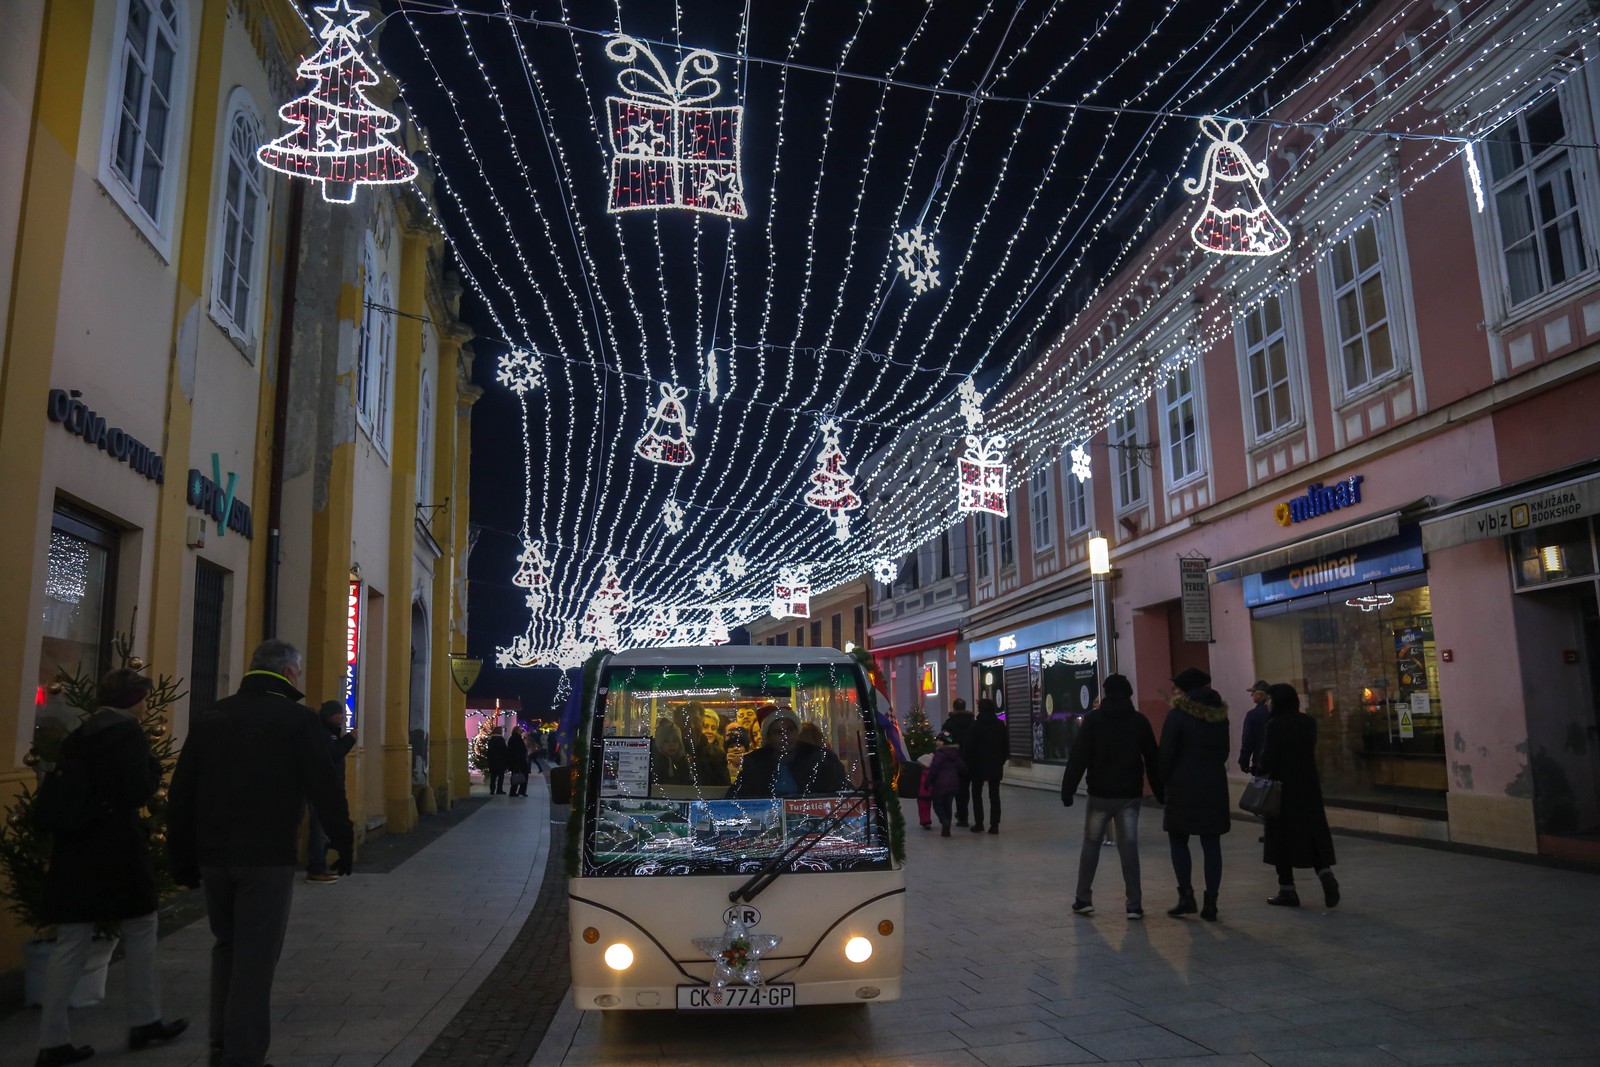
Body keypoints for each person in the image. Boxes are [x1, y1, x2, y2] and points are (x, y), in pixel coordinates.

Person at [167, 639, 353, 1067]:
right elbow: (324, 786)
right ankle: (244, 1056)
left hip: (214, 855)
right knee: (256, 958)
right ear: (289, 673)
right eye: (299, 673)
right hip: (266, 857)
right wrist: (343, 840)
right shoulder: (297, 720)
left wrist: (181, 854)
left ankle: (220, 1045)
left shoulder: (212, 714)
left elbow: (183, 790)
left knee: (226, 948)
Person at [35, 668, 187, 1067]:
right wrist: (152, 770)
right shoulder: (127, 735)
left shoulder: (80, 734)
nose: (145, 704)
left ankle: (52, 1039)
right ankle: (144, 1018)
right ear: (131, 699)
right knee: (140, 928)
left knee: (71, 942)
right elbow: (137, 789)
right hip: (117, 845)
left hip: (75, 849)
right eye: (142, 697)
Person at [1060, 674, 1162, 920]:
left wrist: (1068, 789)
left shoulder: (1094, 721)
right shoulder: (1139, 721)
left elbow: (1079, 756)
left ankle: (1083, 898)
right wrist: (1161, 792)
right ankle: (1134, 904)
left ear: (1105, 693)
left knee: (1091, 845)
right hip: (1129, 795)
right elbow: (1153, 759)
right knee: (1129, 848)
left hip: (1099, 794)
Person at [1159, 667, 1231, 922]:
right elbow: (1224, 752)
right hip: (1214, 785)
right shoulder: (1219, 715)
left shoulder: (1177, 715)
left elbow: (1166, 753)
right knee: (1211, 844)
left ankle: (1186, 896)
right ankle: (1211, 902)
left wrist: (1161, 783)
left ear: (1184, 689)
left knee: (1179, 840)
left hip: (1182, 787)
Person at [1260, 683, 1340, 908]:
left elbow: (1269, 758)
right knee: (1313, 834)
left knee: (1280, 839)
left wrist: (1258, 769)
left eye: (1269, 699)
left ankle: (1287, 890)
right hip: (1308, 788)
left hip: (1281, 790)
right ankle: (1325, 874)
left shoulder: (1275, 725)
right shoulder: (1308, 723)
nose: (1267, 703)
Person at [728, 708, 844, 797]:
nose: (785, 737)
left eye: (789, 730)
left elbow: (842, 793)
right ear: (768, 737)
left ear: (797, 732)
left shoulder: (821, 758)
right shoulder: (755, 762)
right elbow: (736, 797)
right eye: (778, 732)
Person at [306, 701, 355, 884]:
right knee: (320, 829)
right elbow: (332, 754)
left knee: (324, 829)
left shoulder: (331, 733)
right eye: (339, 713)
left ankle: (320, 865)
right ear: (329, 715)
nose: (342, 716)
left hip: (329, 787)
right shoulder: (324, 734)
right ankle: (316, 868)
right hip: (322, 788)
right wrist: (349, 740)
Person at [962, 698, 1010, 833]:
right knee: (994, 795)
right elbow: (1006, 747)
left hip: (977, 765)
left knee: (977, 794)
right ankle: (995, 825)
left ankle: (979, 823)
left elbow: (969, 747)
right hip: (995, 764)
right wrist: (1001, 760)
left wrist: (967, 764)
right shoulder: (1000, 725)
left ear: (980, 709)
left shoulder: (975, 725)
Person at [924, 732, 967, 836]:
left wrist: (928, 782)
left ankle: (944, 821)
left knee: (937, 805)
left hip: (940, 785)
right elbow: (963, 768)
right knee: (948, 806)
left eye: (939, 740)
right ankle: (946, 830)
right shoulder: (955, 754)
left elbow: (934, 769)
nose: (937, 742)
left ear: (942, 742)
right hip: (953, 785)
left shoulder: (939, 754)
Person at [941, 698, 976, 826]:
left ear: (954, 708)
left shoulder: (949, 724)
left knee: (954, 789)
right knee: (965, 788)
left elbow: (944, 741)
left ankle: (959, 814)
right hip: (970, 760)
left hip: (953, 760)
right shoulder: (973, 723)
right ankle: (963, 815)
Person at [1239, 681, 1271, 775]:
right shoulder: (1277, 713)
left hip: (1260, 761)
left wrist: (1243, 761)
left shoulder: (1253, 715)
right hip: (1280, 762)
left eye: (1254, 692)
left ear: (1261, 695)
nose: (1252, 695)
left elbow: (1247, 740)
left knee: (1260, 789)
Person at [651, 720, 694, 786]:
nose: (671, 745)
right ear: (660, 744)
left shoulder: (684, 761)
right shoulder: (657, 762)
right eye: (666, 741)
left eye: (674, 741)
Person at [506, 726, 531, 797]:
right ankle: (521, 791)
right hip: (519, 761)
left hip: (515, 761)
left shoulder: (513, 738)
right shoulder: (517, 738)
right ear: (517, 731)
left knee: (516, 775)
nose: (522, 731)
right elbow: (519, 750)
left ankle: (513, 791)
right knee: (524, 775)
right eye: (520, 730)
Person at [486, 729, 508, 795]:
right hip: (500, 760)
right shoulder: (501, 740)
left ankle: (492, 790)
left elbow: (489, 751)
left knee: (493, 776)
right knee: (501, 776)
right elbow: (504, 750)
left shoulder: (491, 740)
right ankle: (499, 790)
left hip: (492, 761)